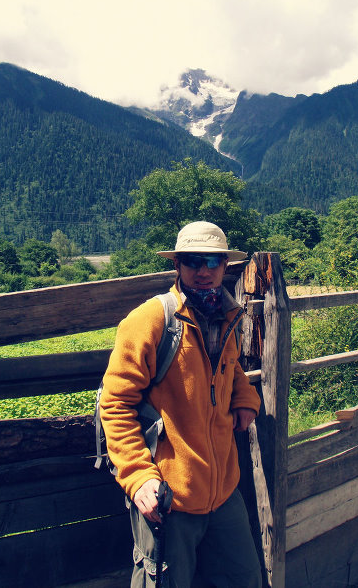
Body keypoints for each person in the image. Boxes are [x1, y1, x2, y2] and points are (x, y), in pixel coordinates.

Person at [100, 221, 262, 587]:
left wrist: (244, 397)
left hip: (223, 491)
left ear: (225, 266)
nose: (202, 271)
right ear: (177, 266)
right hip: (169, 499)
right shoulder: (151, 320)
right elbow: (115, 403)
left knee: (245, 579)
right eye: (192, 260)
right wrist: (139, 476)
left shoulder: (228, 314)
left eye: (211, 260)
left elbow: (230, 365)